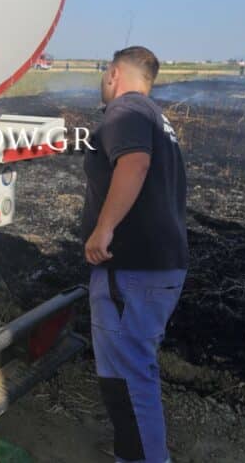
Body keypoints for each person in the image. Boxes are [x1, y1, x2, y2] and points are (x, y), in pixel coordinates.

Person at [82, 46, 188, 463]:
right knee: (134, 375)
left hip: (132, 271)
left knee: (127, 381)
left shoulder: (125, 110)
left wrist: (103, 227)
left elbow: (134, 165)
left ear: (113, 73)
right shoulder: (157, 118)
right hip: (159, 268)